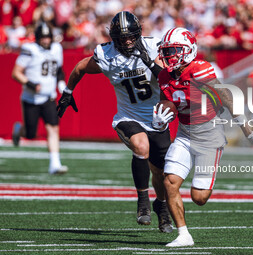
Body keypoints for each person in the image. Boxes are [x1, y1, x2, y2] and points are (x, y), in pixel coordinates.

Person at [56, 11, 173, 233]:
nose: (128, 41)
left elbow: (167, 79)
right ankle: (142, 202)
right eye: (123, 37)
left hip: (157, 118)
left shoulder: (152, 47)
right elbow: (81, 67)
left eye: (131, 36)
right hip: (128, 117)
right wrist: (68, 91)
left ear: (139, 33)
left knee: (161, 172)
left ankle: (162, 205)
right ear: (113, 37)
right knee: (141, 146)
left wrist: (149, 62)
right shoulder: (107, 55)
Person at [149, 27, 253, 247]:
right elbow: (168, 105)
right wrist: (160, 121)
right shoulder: (163, 76)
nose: (169, 55)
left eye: (174, 50)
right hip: (184, 132)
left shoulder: (199, 69)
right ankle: (184, 235)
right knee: (170, 181)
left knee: (199, 198)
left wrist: (246, 129)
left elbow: (227, 97)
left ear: (189, 50)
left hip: (208, 135)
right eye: (167, 51)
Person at [11, 22, 68, 175]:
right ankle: (19, 130)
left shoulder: (57, 49)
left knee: (53, 128)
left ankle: (55, 164)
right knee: (30, 134)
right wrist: (30, 84)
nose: (46, 40)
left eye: (48, 37)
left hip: (49, 96)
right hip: (31, 98)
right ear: (37, 38)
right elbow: (16, 73)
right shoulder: (29, 49)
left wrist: (62, 86)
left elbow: (59, 71)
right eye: (43, 37)